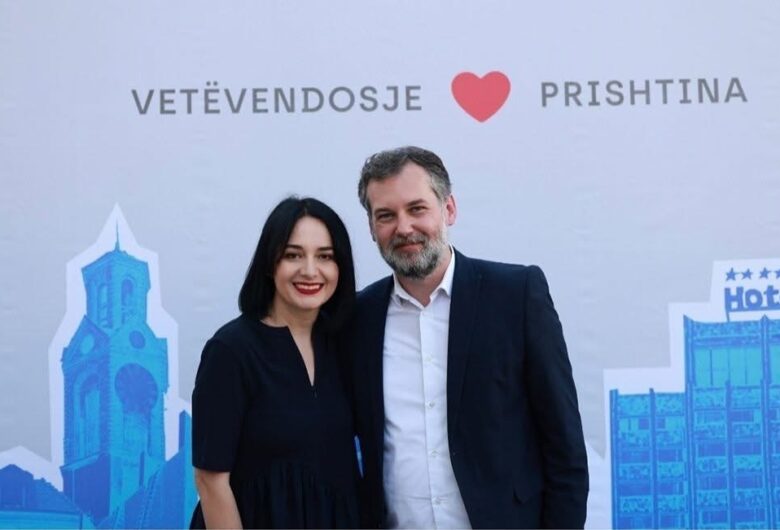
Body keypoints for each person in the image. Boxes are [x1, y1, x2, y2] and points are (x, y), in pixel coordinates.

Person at [348, 146, 589, 529]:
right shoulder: (358, 318)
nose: (404, 228)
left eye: (417, 208)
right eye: (386, 215)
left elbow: (565, 449)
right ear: (371, 228)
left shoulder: (516, 296)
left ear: (449, 209)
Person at [190, 197, 360, 529]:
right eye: (293, 255)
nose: (309, 270)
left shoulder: (346, 344)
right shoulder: (231, 351)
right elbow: (211, 481)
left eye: (325, 256)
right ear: (270, 264)